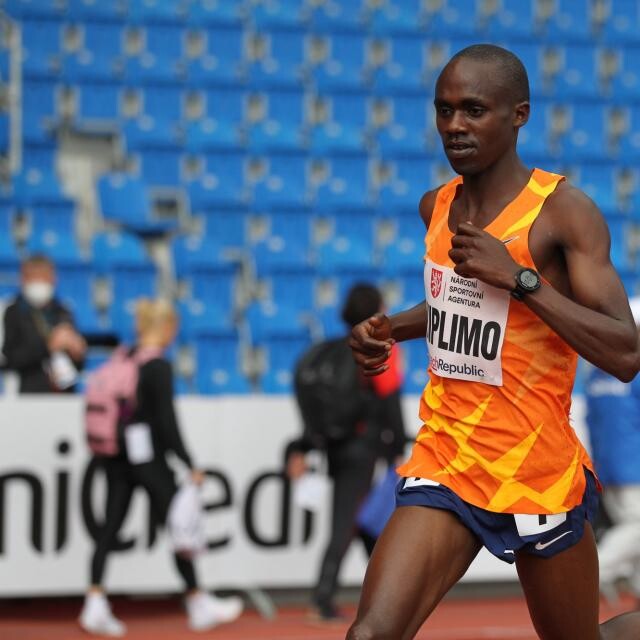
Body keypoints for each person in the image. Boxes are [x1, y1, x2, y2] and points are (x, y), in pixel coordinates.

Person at [347, 44, 640, 640]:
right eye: (444, 109)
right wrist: (389, 328)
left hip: (536, 466)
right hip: (449, 456)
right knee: (371, 634)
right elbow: (458, 306)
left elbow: (625, 353)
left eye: (474, 110)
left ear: (519, 114)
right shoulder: (437, 206)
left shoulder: (563, 213)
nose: (455, 125)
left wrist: (521, 279)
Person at [79, 298, 243, 637]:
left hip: (116, 457)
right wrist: (189, 462)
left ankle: (95, 601)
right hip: (149, 461)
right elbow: (167, 423)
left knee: (109, 529)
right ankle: (197, 603)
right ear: (167, 327)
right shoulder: (157, 366)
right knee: (180, 529)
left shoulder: (126, 355)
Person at [286, 283, 406, 621]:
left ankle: (387, 596)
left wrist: (302, 447)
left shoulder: (331, 352)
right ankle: (322, 599)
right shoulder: (379, 350)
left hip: (337, 448)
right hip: (365, 449)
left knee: (366, 522)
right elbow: (391, 401)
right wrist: (398, 448)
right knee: (348, 522)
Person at [586, 297, 640, 604]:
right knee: (637, 527)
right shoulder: (635, 371)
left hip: (608, 465)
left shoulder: (598, 372)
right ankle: (596, 570)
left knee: (632, 528)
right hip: (633, 465)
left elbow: (592, 421)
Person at [2, 254, 86, 392]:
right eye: (34, 277)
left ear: (53, 279)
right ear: (23, 279)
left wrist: (77, 353)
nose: (39, 282)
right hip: (26, 393)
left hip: (62, 392)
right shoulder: (12, 312)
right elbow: (10, 360)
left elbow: (77, 366)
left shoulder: (63, 311)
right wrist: (48, 346)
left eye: (44, 277)